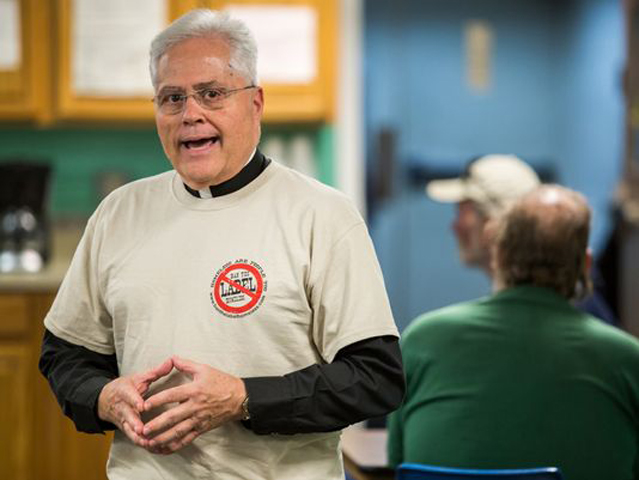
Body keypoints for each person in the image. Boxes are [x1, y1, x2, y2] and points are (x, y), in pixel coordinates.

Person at [39, 10, 404, 480]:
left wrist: (242, 398)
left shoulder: (323, 216)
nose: (191, 114)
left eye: (212, 94)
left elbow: (375, 379)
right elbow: (65, 355)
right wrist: (103, 397)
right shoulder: (118, 213)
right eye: (172, 98)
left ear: (255, 103)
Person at [387, 185, 639, 480]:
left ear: (498, 253)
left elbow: (396, 462)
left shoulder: (421, 340)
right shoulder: (627, 359)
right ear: (585, 264)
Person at [426, 154, 617, 324]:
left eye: (463, 212)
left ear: (493, 226)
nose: (455, 226)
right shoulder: (561, 301)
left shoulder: (570, 311)